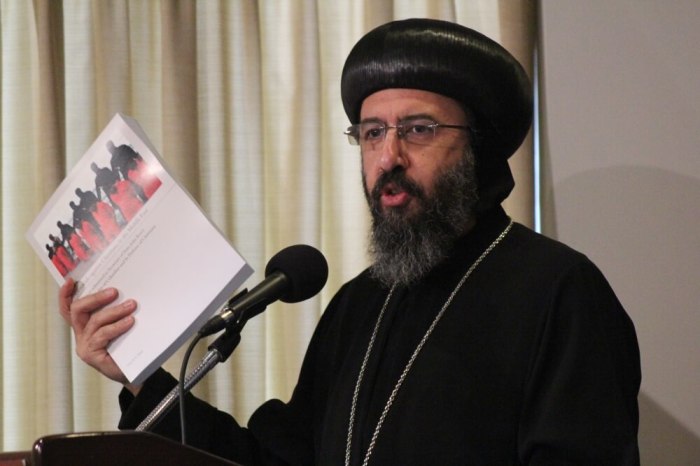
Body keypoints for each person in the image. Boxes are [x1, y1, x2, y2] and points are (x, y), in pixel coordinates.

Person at [59, 18, 640, 465]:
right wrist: (140, 373)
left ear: (478, 147)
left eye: (418, 130)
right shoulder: (358, 304)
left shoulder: (559, 292)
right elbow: (274, 461)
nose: (388, 158)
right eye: (371, 133)